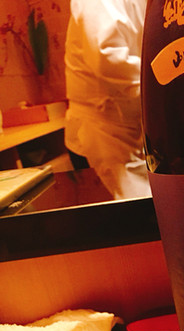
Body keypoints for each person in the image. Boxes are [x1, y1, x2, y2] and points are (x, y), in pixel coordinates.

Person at [64, 0, 151, 200]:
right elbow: (107, 57)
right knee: (137, 210)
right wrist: (161, 88)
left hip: (134, 125)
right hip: (103, 131)